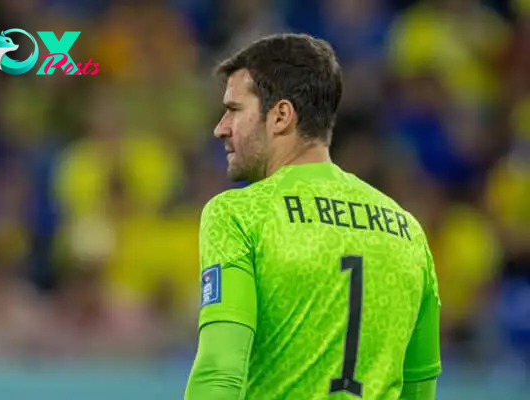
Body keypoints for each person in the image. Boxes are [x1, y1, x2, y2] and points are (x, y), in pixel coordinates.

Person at [184, 33, 441, 400]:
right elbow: (419, 390)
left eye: (235, 110)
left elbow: (220, 372)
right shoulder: (408, 230)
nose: (220, 127)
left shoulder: (240, 213)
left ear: (281, 116)